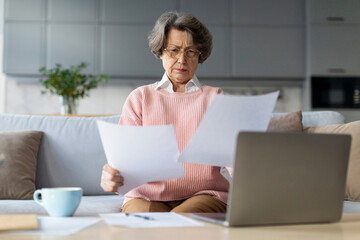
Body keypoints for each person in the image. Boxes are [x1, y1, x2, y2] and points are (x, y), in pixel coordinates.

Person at [100, 11, 229, 213]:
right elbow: (123, 161)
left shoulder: (216, 97)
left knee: (179, 220)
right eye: (174, 50)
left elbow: (233, 157)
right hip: (145, 195)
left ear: (200, 55)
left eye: (190, 52)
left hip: (205, 194)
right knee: (146, 223)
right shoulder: (140, 98)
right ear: (160, 51)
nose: (181, 60)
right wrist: (112, 177)